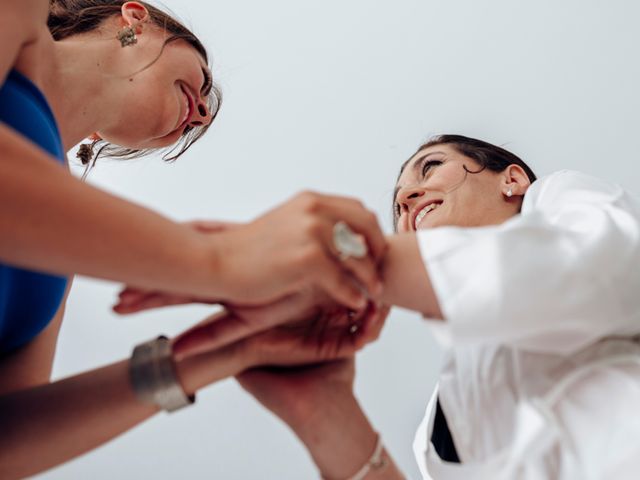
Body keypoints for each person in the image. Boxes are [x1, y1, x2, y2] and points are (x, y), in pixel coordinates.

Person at [0, 0, 387, 476]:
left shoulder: (58, 261)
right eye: (202, 80)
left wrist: (231, 353)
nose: (201, 113)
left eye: (203, 113)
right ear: (135, 16)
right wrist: (221, 260)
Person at [179, 135, 639, 479]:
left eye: (431, 167)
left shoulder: (566, 203)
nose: (404, 199)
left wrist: (343, 262)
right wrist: (325, 411)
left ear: (513, 179)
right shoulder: (437, 426)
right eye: (397, 206)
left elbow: (604, 263)